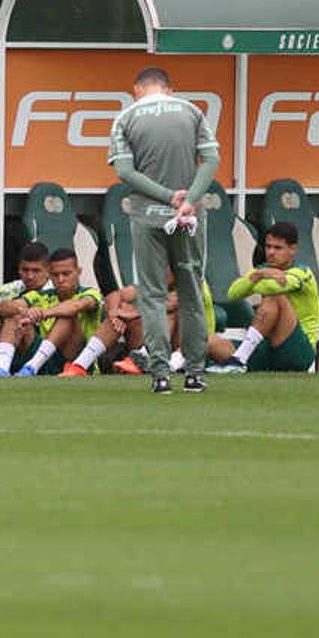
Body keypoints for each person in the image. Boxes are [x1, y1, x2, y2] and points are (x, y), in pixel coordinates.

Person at [109, 65, 222, 394]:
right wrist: (189, 199)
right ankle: (195, 373)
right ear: (169, 90)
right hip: (189, 218)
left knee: (153, 297)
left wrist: (166, 197)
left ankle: (160, 374)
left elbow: (125, 172)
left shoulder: (126, 118)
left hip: (148, 217)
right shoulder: (191, 112)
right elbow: (211, 161)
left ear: (137, 89)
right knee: (191, 293)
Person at [218, 222, 319, 373]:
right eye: (268, 246)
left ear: (292, 249)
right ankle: (177, 366)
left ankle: (239, 359)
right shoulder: (263, 271)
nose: (271, 252)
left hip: (298, 351)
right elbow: (233, 293)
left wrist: (257, 278)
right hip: (267, 348)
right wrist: (260, 274)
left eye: (278, 248)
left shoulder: (303, 272)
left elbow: (273, 288)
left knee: (275, 296)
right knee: (211, 343)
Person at [10, 248, 110, 376]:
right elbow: (8, 306)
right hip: (48, 360)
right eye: (55, 275)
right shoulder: (41, 295)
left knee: (68, 316)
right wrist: (26, 312)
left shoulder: (90, 293)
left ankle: (32, 366)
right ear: (49, 275)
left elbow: (75, 306)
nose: (60, 279)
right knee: (14, 317)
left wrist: (45, 313)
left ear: (78, 272)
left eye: (66, 274)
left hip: (77, 359)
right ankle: (0, 368)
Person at [0, 242, 54, 376]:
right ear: (18, 269)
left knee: (18, 318)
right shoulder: (14, 288)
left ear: (48, 271)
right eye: (25, 270)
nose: (29, 276)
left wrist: (17, 311)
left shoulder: (55, 289)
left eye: (36, 271)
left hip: (49, 353)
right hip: (17, 348)